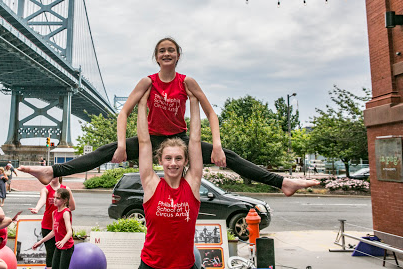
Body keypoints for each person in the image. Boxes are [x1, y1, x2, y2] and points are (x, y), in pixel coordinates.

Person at [18, 38, 318, 196]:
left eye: (171, 50)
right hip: (152, 138)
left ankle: (282, 183)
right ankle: (52, 173)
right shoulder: (147, 82)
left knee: (231, 156)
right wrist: (122, 144)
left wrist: (215, 144)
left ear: (178, 55)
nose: (166, 54)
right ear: (156, 56)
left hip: (178, 139)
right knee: (105, 151)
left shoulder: (187, 82)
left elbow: (211, 113)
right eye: (161, 50)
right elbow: (124, 112)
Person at [137, 85, 202, 269]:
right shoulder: (151, 184)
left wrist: (194, 101)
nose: (173, 163)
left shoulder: (192, 184)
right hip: (150, 265)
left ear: (186, 160)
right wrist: (142, 104)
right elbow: (143, 141)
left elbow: (195, 140)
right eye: (168, 158)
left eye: (178, 158)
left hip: (185, 266)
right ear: (160, 160)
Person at [29, 177, 76, 269]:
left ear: (65, 200)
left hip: (66, 247)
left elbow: (69, 232)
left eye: (57, 198)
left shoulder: (65, 212)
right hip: (59, 246)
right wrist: (40, 242)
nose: (54, 200)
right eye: (54, 197)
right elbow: (54, 232)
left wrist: (63, 242)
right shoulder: (54, 213)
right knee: (53, 264)